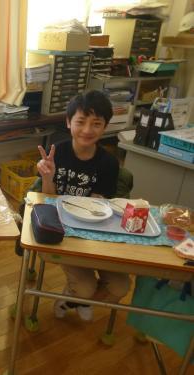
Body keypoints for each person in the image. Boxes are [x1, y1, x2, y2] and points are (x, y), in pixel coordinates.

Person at [36, 90, 131, 321]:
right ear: (69, 122)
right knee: (87, 287)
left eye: (96, 123)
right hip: (63, 233)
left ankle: (73, 298)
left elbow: (100, 208)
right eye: (81, 122)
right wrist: (47, 177)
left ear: (105, 126)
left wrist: (99, 204)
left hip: (94, 233)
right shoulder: (57, 152)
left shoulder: (108, 163)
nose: (88, 130)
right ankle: (80, 295)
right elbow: (48, 202)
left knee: (120, 287)